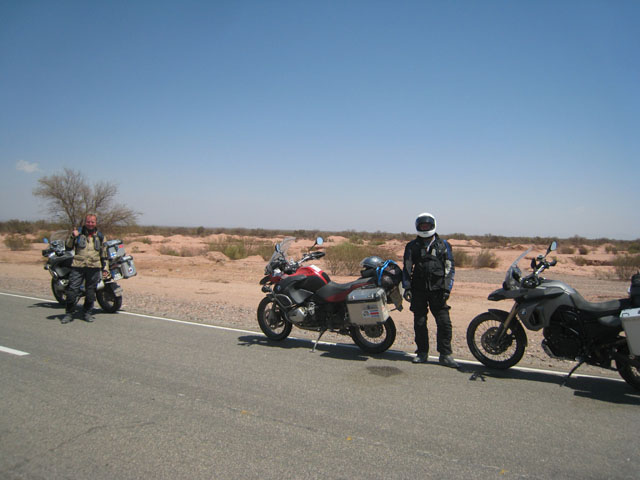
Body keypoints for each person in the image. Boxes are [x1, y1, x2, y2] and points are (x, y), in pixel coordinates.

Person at [402, 212, 459, 368]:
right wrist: (406, 287)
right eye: (422, 226)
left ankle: (445, 354)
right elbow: (407, 267)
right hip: (418, 289)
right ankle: (422, 352)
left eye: (427, 225)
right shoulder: (412, 246)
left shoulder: (444, 245)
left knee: (444, 322)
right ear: (418, 227)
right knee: (419, 322)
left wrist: (447, 288)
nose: (425, 228)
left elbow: (450, 267)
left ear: (433, 225)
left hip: (438, 289)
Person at [61, 214, 108, 324]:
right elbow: (68, 247)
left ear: (96, 223)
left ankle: (87, 312)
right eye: (88, 222)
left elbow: (104, 254)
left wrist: (105, 269)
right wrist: (73, 236)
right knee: (72, 291)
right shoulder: (78, 234)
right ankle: (69, 313)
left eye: (92, 222)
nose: (90, 224)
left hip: (94, 267)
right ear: (85, 222)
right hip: (78, 266)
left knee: (90, 292)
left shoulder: (100, 236)